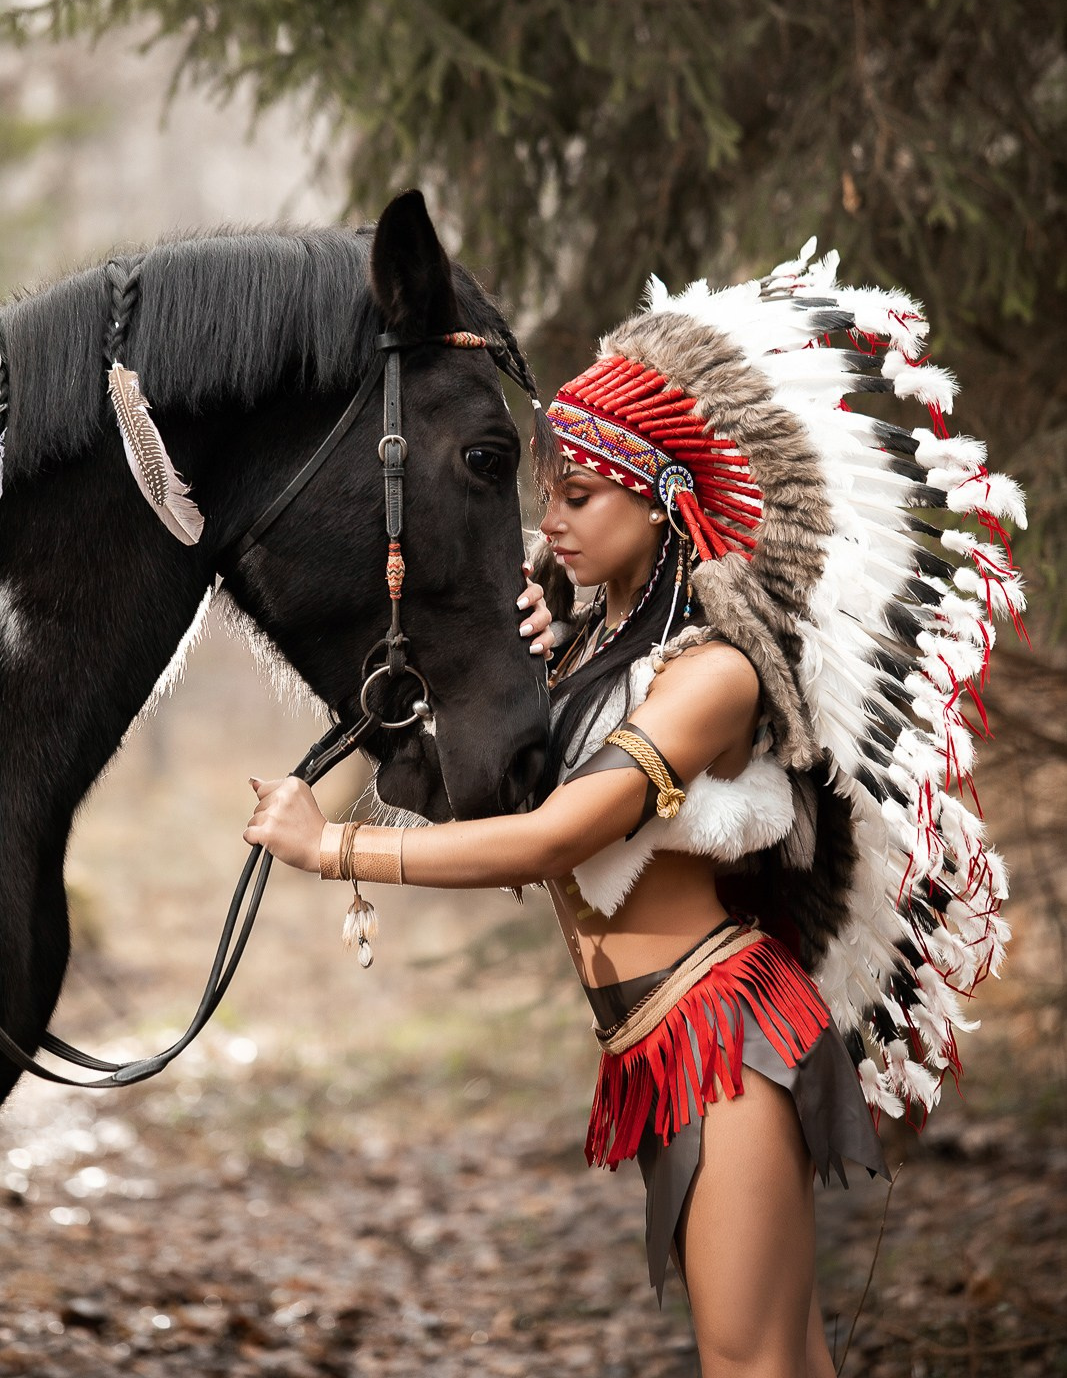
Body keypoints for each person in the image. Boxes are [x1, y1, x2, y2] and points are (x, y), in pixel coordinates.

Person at [244, 243, 1020, 1377]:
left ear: (659, 504)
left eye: (578, 496)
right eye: (542, 495)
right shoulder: (596, 661)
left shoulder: (710, 676)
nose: (547, 522)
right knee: (775, 1360)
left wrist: (337, 849)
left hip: (724, 1036)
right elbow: (515, 801)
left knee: (752, 1360)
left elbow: (562, 836)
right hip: (657, 1045)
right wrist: (524, 671)